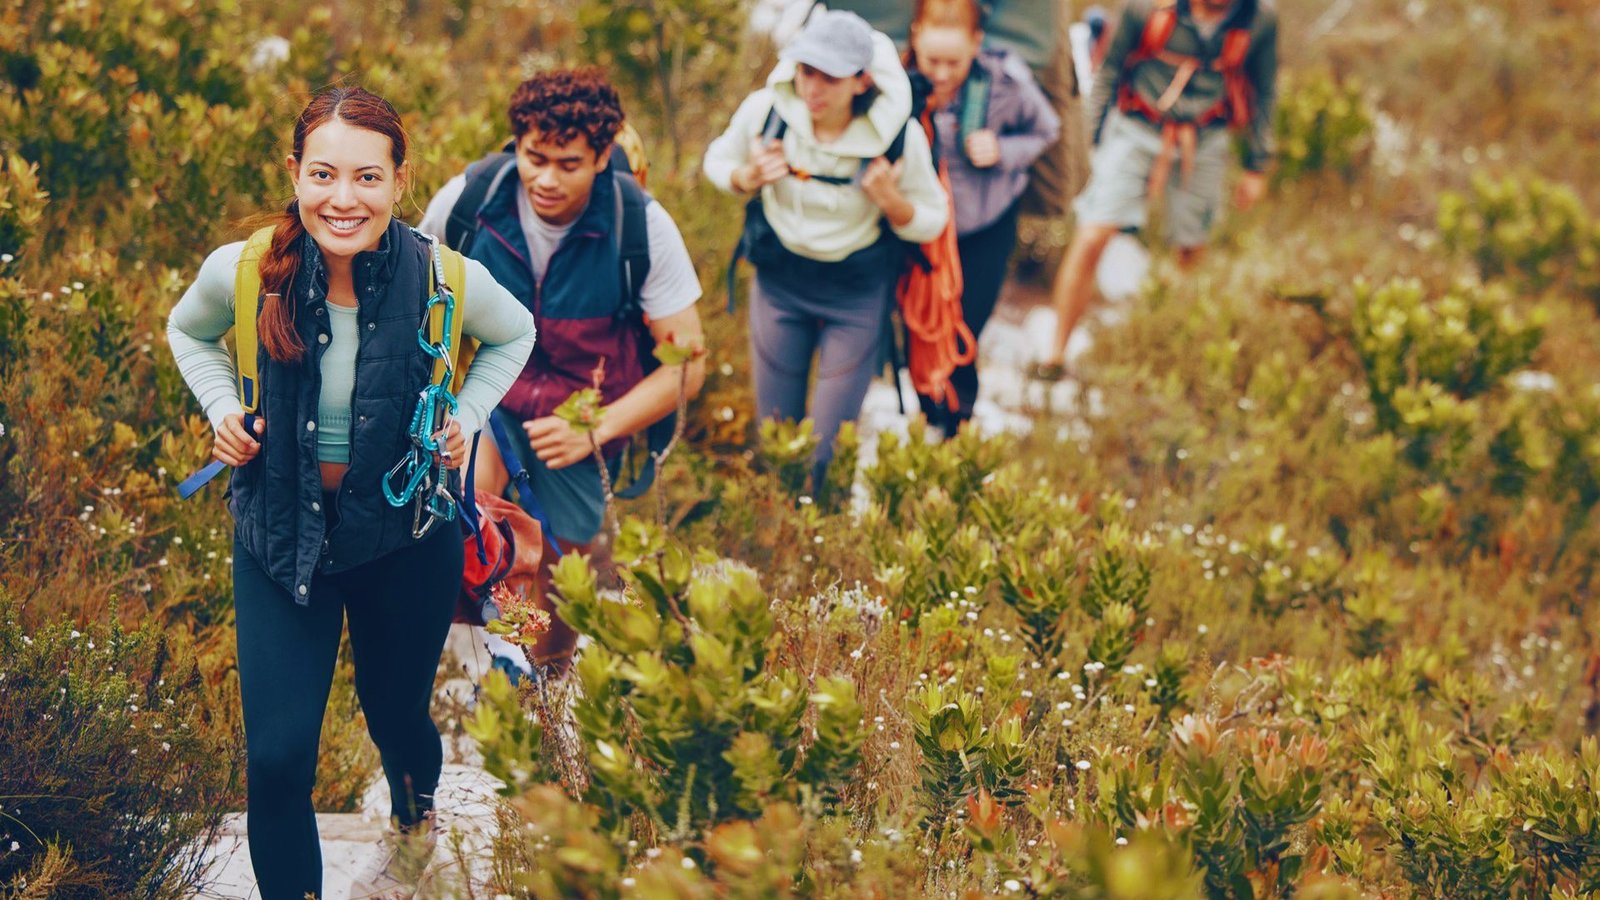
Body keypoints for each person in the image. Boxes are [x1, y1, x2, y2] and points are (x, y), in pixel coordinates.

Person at [166, 87, 536, 898]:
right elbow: (187, 333)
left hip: (405, 538)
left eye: (367, 177)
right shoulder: (243, 269)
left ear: (401, 182)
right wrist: (223, 405)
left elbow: (515, 335)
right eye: (324, 174)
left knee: (396, 717)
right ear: (295, 173)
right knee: (276, 755)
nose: (343, 198)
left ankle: (414, 823)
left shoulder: (443, 275)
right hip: (277, 532)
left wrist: (467, 418)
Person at [417, 68, 707, 677]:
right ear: (516, 145)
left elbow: (689, 365)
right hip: (492, 392)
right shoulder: (470, 201)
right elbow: (407, 292)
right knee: (473, 512)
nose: (546, 179)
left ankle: (540, 685)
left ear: (603, 156)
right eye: (534, 157)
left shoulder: (641, 225)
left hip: (582, 414)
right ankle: (486, 656)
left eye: (569, 164)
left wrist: (596, 427)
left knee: (563, 579)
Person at [705, 9, 949, 484]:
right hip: (780, 284)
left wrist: (893, 203)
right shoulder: (767, 112)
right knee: (777, 439)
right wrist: (747, 176)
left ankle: (825, 541)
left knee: (827, 451)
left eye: (829, 78)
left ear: (861, 81)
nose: (812, 89)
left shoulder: (899, 135)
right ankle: (781, 543)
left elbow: (933, 218)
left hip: (854, 296)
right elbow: (718, 160)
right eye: (806, 71)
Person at [1034, 0, 1278, 380]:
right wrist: (1090, 144)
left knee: (1191, 249)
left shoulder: (1259, 20)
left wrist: (1257, 166)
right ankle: (1055, 354)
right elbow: (1109, 71)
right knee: (1093, 234)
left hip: (1205, 138)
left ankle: (1177, 352)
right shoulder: (1145, 7)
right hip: (1136, 128)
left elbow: (1265, 91)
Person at [906, 0, 1061, 433]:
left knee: (964, 329)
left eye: (953, 62)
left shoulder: (1005, 80)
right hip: (920, 230)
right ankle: (925, 414)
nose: (940, 73)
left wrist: (1002, 150)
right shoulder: (897, 80)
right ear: (915, 35)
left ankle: (956, 424)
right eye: (932, 60)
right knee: (921, 328)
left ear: (977, 43)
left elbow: (1047, 129)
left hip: (984, 226)